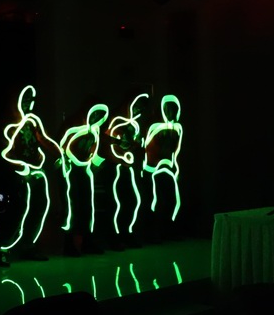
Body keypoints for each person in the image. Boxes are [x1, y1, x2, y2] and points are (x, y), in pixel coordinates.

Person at [0, 84, 62, 266]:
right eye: (24, 99)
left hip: (36, 171)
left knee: (40, 207)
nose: (28, 104)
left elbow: (43, 139)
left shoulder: (32, 121)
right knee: (20, 211)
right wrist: (20, 167)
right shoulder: (10, 125)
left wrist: (59, 154)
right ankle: (2, 249)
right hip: (19, 174)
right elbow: (4, 151)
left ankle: (29, 246)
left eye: (30, 100)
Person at [58, 102, 110, 255]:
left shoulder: (95, 131)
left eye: (100, 116)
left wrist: (96, 164)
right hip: (70, 172)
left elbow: (93, 151)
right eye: (95, 113)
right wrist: (65, 163)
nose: (96, 117)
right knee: (72, 208)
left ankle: (87, 241)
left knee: (87, 207)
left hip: (85, 172)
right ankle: (69, 245)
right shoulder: (73, 127)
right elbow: (62, 147)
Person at [105, 92, 149, 248]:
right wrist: (120, 150)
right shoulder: (116, 120)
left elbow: (135, 145)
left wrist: (137, 146)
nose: (138, 110)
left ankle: (127, 233)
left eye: (141, 108)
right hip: (115, 167)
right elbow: (107, 142)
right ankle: (114, 236)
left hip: (129, 168)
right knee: (116, 203)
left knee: (132, 201)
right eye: (136, 106)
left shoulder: (134, 125)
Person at [142, 94, 183, 239]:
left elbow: (176, 150)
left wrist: (176, 167)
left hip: (168, 167)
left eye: (173, 109)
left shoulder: (178, 128)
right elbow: (146, 146)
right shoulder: (155, 126)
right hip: (153, 168)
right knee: (155, 199)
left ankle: (169, 230)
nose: (170, 112)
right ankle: (154, 232)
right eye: (167, 109)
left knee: (171, 199)